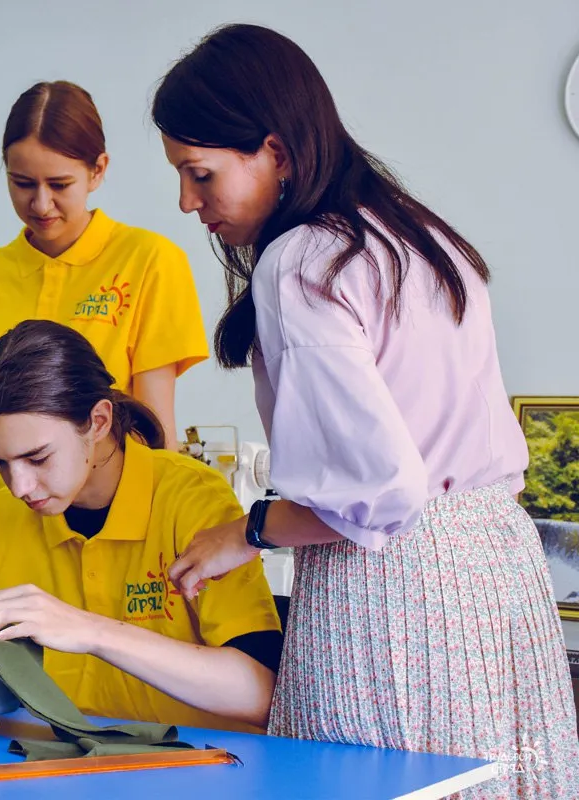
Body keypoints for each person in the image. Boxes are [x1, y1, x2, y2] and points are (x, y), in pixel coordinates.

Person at [155, 24, 578, 796]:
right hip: (496, 573)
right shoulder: (415, 236)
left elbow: (379, 496)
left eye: (200, 175)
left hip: (395, 591)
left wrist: (245, 531)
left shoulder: (299, 262)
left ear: (275, 153)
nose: (188, 202)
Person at [0, 319, 281, 732]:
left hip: (196, 772)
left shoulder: (192, 497)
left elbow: (261, 695)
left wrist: (92, 631)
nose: (18, 486)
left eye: (37, 458)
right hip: (45, 771)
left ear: (98, 422)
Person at [0, 80, 209, 524]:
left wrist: (157, 527)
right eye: (22, 183)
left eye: (59, 184)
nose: (41, 204)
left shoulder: (150, 261)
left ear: (98, 171)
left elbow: (155, 426)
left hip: (84, 516)